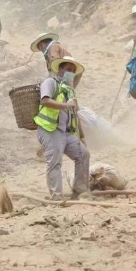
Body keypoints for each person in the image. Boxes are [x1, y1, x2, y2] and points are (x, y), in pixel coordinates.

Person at [35, 56, 90, 200]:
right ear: (60, 69)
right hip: (50, 130)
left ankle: (80, 190)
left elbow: (75, 114)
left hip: (66, 132)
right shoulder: (50, 82)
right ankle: (57, 197)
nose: (70, 73)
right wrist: (66, 105)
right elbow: (45, 101)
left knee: (83, 154)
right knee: (55, 162)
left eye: (73, 71)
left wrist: (82, 137)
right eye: (68, 69)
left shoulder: (69, 90)